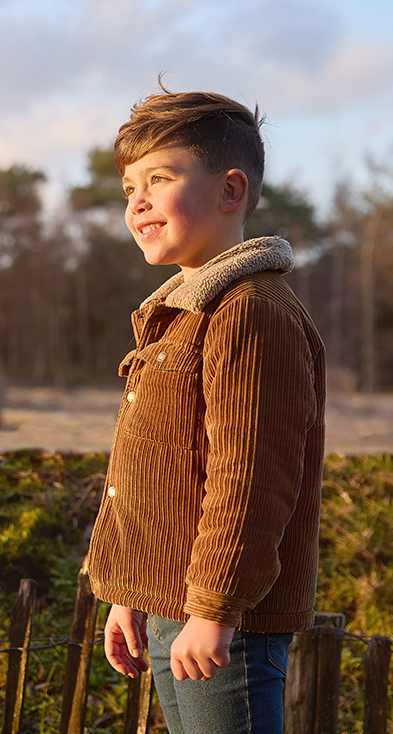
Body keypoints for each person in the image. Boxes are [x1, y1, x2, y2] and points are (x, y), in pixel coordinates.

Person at [86, 88, 326, 734]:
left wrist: (215, 608)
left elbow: (250, 478)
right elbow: (166, 468)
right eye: (129, 187)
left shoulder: (250, 312)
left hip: (226, 619)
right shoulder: (184, 316)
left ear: (230, 190)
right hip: (174, 605)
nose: (137, 202)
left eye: (160, 179)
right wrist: (132, 593)